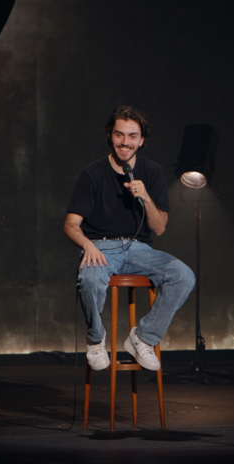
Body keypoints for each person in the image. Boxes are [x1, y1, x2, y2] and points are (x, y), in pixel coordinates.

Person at [64, 106, 195, 372]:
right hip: (101, 246)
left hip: (140, 250)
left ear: (142, 140)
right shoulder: (92, 173)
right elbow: (71, 224)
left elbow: (159, 228)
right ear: (110, 136)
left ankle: (143, 338)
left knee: (183, 275)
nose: (125, 142)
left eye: (132, 136)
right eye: (119, 135)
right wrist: (88, 245)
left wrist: (146, 197)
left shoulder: (152, 171)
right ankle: (95, 339)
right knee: (89, 278)